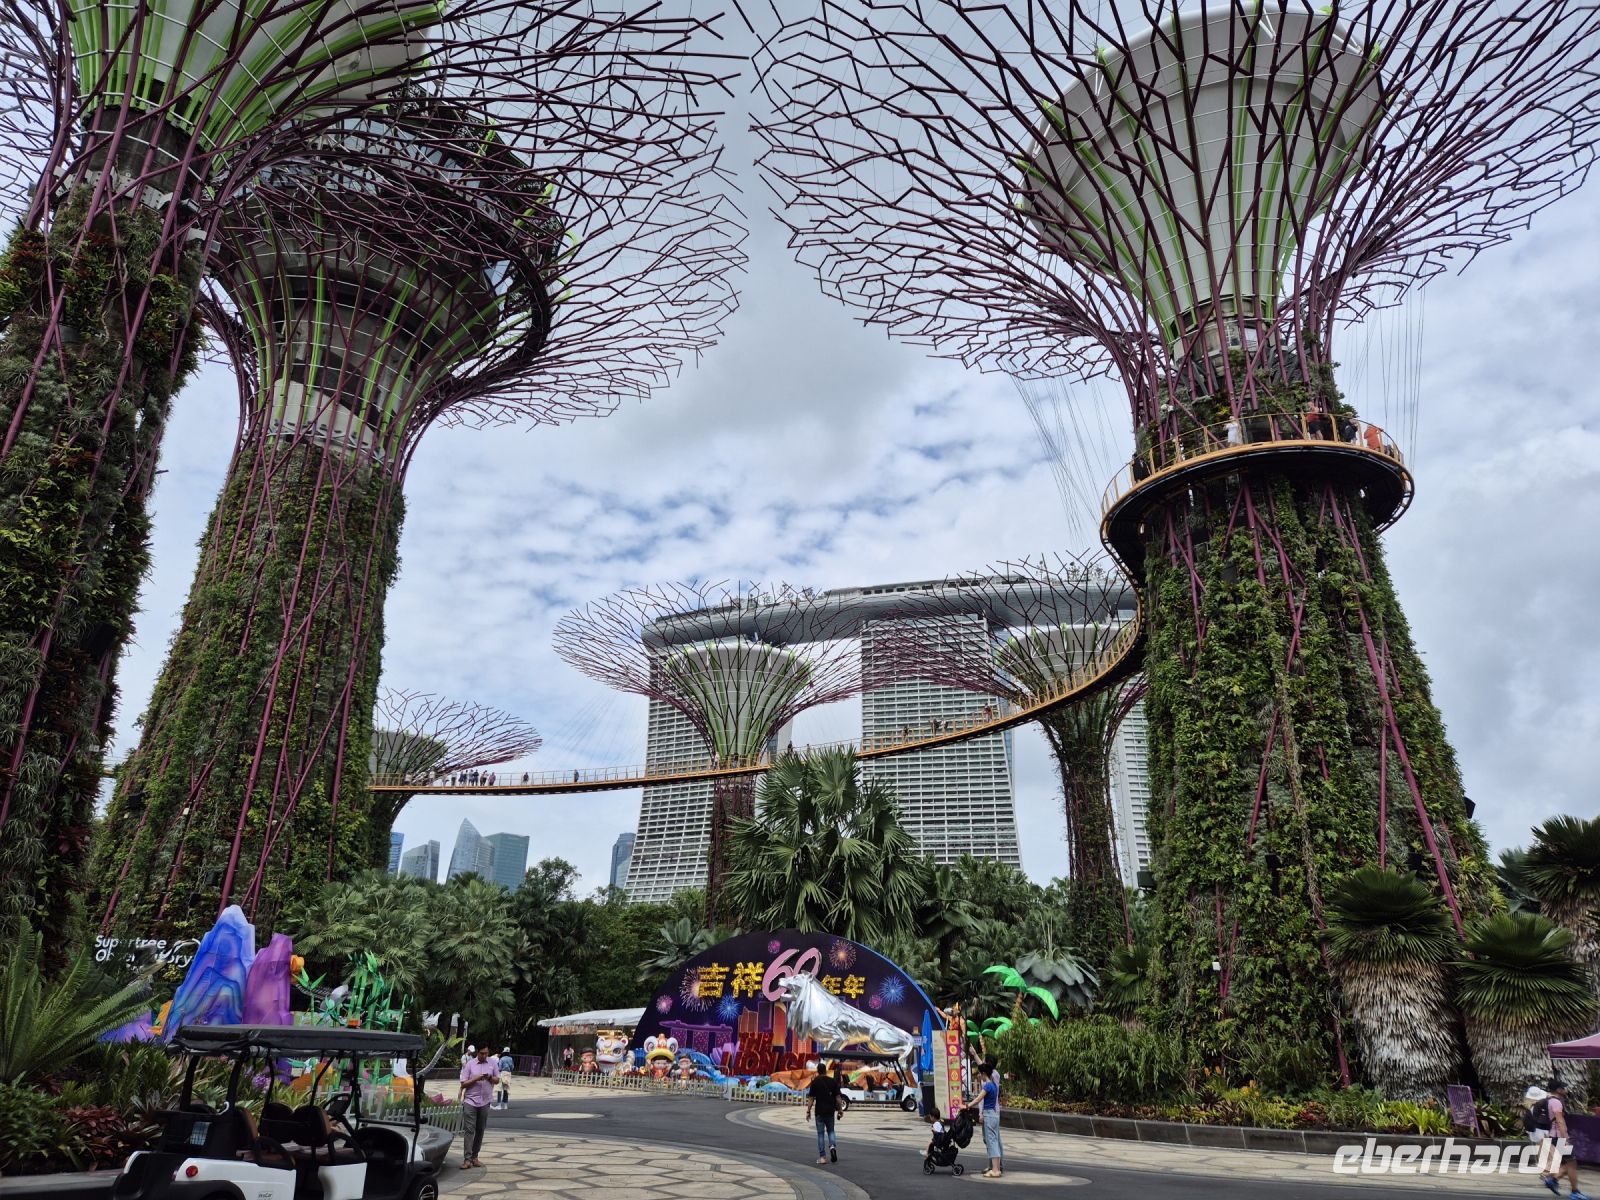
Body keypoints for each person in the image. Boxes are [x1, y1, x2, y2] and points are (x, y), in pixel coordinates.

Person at [1528, 1078, 1590, 1198]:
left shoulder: (1548, 1100)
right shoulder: (1556, 1102)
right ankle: (1574, 1192)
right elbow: (1560, 1121)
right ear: (1558, 1090)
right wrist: (1565, 1138)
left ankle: (1553, 1180)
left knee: (1571, 1163)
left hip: (1552, 1135)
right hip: (1558, 1136)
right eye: (1563, 1088)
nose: (1565, 1090)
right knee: (1571, 1163)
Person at [458, 1044, 500, 1169]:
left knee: (480, 1129)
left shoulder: (492, 1063)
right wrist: (476, 1079)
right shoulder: (470, 1064)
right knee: (469, 1130)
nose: (484, 1055)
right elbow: (463, 1083)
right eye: (482, 1053)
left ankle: (475, 1157)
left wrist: (490, 1078)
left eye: (486, 1053)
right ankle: (467, 1159)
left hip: (485, 1101)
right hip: (470, 1101)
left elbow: (497, 1080)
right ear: (477, 1052)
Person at [805, 1061, 849, 1165]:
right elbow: (838, 1098)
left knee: (820, 1134)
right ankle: (832, 1146)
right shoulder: (833, 1081)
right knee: (831, 1131)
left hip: (819, 1112)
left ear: (817, 1071)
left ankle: (823, 1157)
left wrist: (808, 1111)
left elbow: (811, 1098)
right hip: (830, 1111)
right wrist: (840, 1110)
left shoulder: (815, 1082)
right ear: (825, 1071)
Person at [965, 1058, 1003, 1178]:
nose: (980, 1076)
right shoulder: (994, 1085)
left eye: (980, 1074)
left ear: (984, 1074)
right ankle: (996, 1168)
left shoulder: (987, 1086)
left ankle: (995, 1170)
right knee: (994, 1142)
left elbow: (978, 1099)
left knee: (991, 1142)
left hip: (989, 1115)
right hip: (994, 1115)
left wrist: (966, 1106)